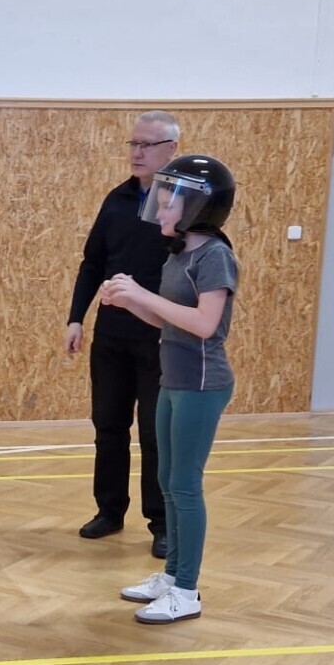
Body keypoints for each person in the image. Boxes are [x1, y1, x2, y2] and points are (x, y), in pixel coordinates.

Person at [100, 154, 238, 624]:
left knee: (184, 485)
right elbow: (168, 320)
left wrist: (143, 295)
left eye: (167, 205)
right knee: (166, 480)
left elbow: (203, 324)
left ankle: (187, 590)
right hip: (173, 380)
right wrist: (129, 301)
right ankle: (172, 574)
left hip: (201, 384)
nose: (159, 211)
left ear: (198, 208)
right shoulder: (179, 254)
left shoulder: (215, 256)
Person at [65, 110, 181, 558]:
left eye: (147, 145)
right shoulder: (116, 199)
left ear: (171, 150)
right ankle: (109, 511)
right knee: (108, 426)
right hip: (111, 336)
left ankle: (161, 523)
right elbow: (92, 262)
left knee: (155, 433)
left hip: (159, 337)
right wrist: (76, 318)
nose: (137, 152)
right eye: (133, 143)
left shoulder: (182, 207)